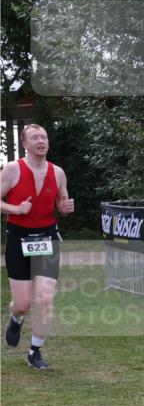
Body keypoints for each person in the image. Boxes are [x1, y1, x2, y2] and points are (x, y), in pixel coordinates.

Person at [1, 124, 75, 369]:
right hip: (18, 237)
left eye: (43, 137)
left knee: (44, 298)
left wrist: (65, 209)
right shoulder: (12, 169)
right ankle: (16, 317)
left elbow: (62, 202)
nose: (41, 141)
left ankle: (35, 351)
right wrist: (15, 209)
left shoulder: (58, 172)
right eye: (34, 137)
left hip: (47, 237)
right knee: (23, 303)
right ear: (25, 144)